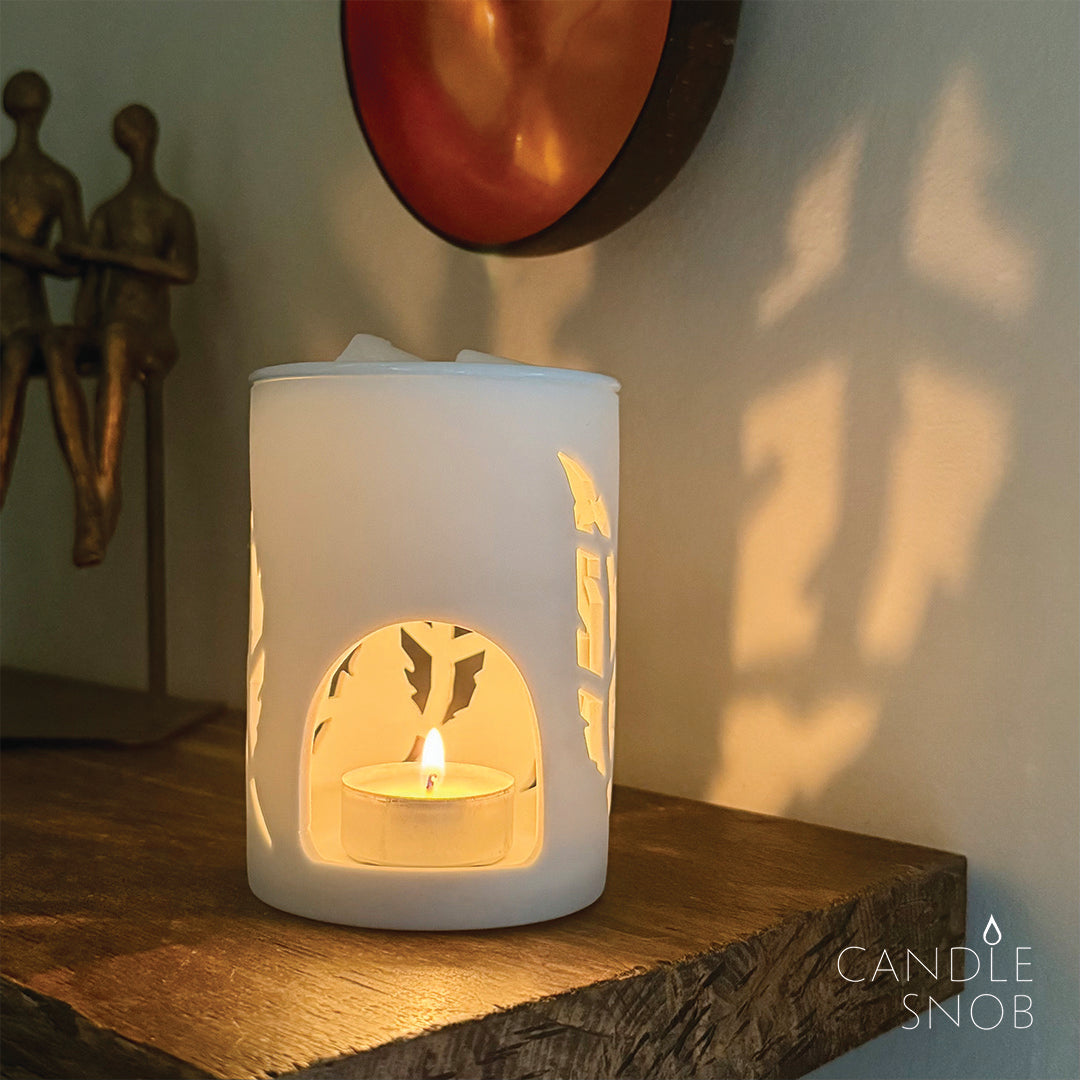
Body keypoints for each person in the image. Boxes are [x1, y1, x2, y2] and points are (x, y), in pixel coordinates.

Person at [47, 103, 197, 565]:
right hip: (111, 329)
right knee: (55, 340)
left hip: (151, 338)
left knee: (116, 338)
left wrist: (109, 257)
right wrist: (81, 319)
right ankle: (87, 485)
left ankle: (107, 488)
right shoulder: (108, 213)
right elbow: (90, 294)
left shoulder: (172, 211)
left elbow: (184, 270)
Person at [0, 71, 85, 518]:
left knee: (20, 359)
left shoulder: (57, 181)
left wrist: (15, 250)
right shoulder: (57, 180)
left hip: (27, 320)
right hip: (19, 318)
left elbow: (72, 261)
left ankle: (88, 496)